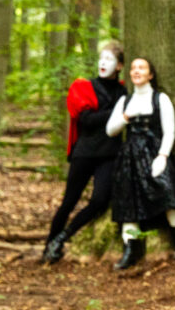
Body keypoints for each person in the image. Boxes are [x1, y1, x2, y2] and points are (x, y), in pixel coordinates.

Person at [43, 41, 126, 264]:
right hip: (85, 152)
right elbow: (86, 120)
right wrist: (118, 111)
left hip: (109, 155)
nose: (103, 63)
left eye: (109, 60)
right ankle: (48, 246)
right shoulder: (84, 88)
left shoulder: (124, 91)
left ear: (119, 66)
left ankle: (63, 237)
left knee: (99, 200)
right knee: (69, 201)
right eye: (101, 58)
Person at [105, 57, 175, 270]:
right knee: (128, 202)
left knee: (168, 192)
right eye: (133, 68)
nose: (136, 71)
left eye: (141, 68)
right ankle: (130, 250)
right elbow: (110, 130)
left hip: (155, 153)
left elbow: (170, 131)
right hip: (130, 157)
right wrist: (125, 117)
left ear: (150, 74)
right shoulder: (125, 101)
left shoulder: (160, 99)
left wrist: (162, 156)